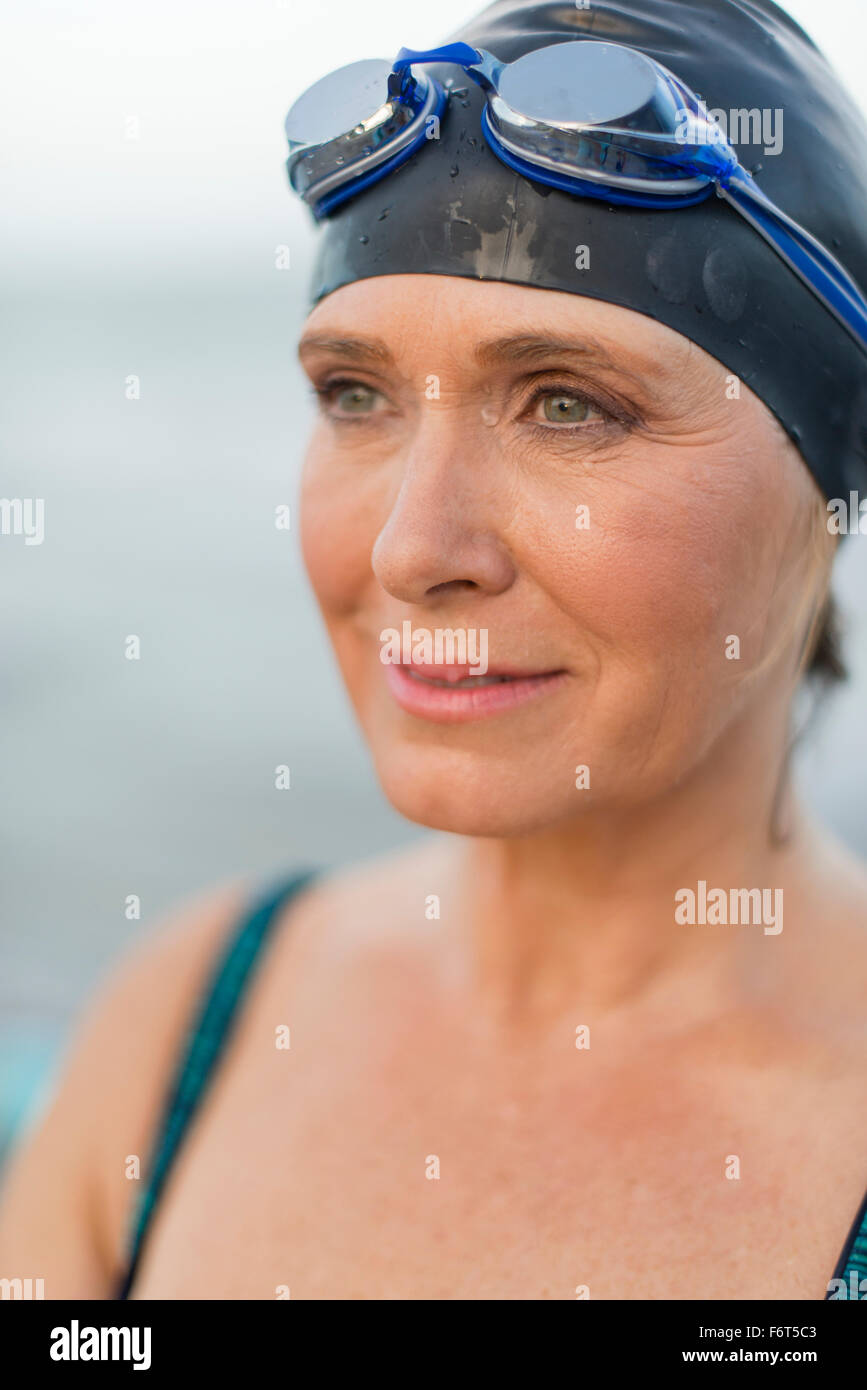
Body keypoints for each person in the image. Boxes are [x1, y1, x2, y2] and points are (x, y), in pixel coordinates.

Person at [3, 0, 867, 1301]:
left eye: (567, 403)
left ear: (831, 482)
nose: (414, 547)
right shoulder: (189, 1016)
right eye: (355, 395)